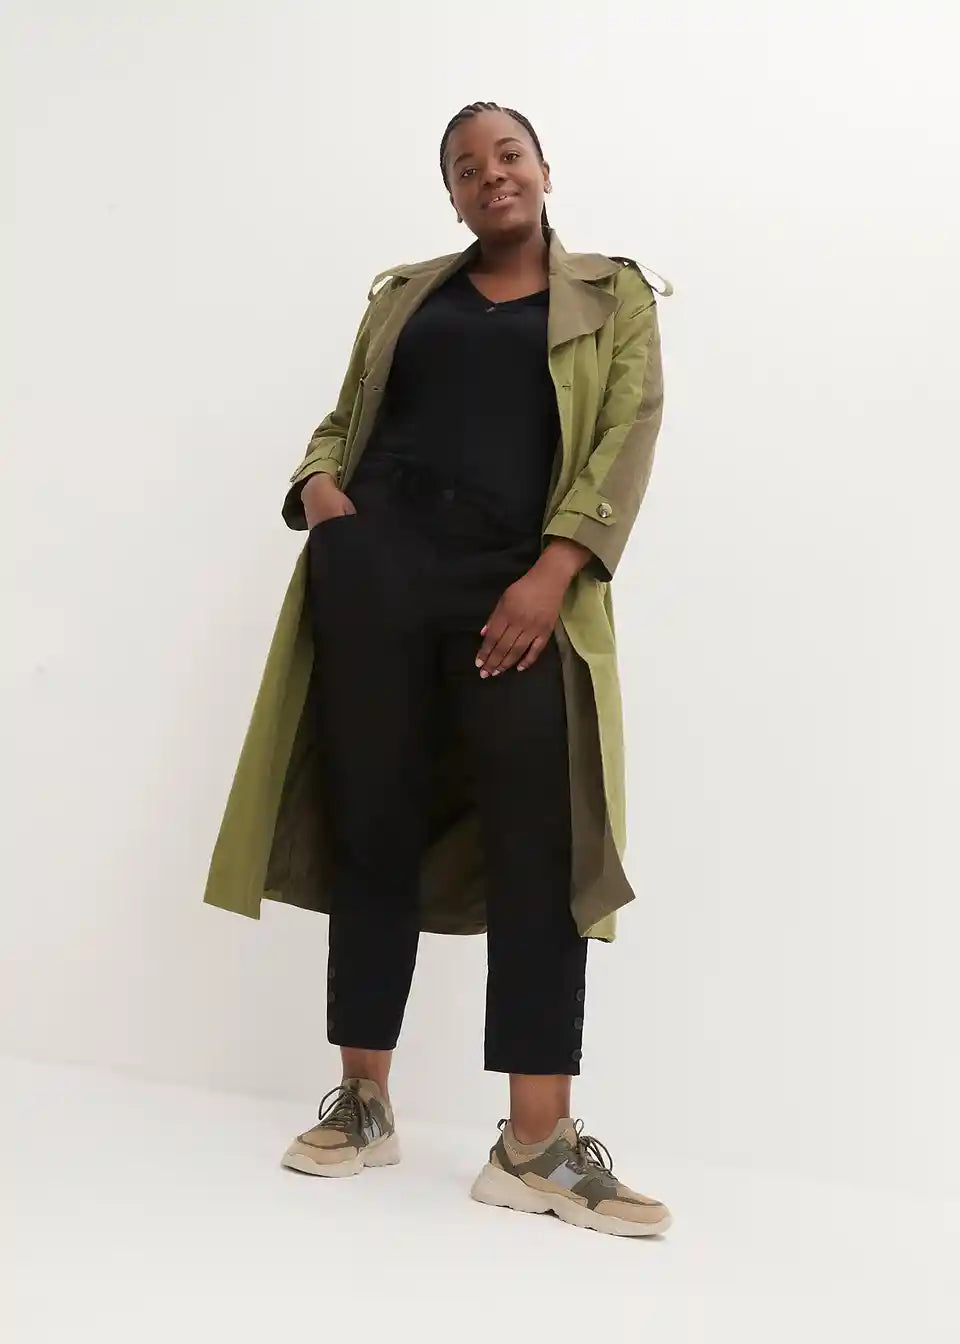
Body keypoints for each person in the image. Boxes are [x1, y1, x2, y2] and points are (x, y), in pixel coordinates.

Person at [203, 101, 673, 1238]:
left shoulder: (613, 296)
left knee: (542, 837)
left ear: (544, 168)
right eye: (467, 167)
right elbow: (342, 422)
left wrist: (553, 572)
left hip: (517, 582)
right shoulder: (406, 296)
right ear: (452, 196)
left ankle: (536, 1142)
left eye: (508, 154)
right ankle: (363, 1101)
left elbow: (626, 435)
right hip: (377, 572)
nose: (490, 175)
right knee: (376, 817)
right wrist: (324, 497)